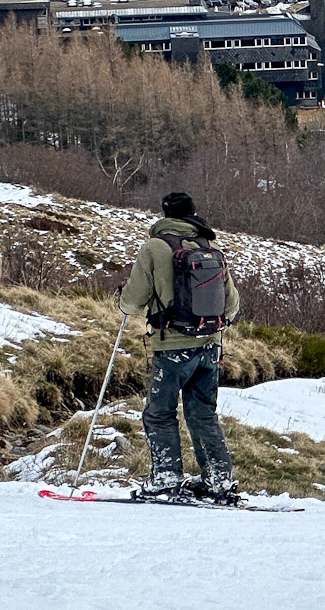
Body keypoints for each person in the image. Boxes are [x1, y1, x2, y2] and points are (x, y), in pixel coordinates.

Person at [120, 191, 240, 501]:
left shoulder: (155, 248)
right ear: (192, 213)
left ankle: (165, 477)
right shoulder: (211, 248)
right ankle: (218, 479)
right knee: (203, 414)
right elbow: (232, 304)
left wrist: (124, 304)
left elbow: (134, 300)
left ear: (164, 214)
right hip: (210, 345)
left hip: (173, 345)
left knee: (159, 413)